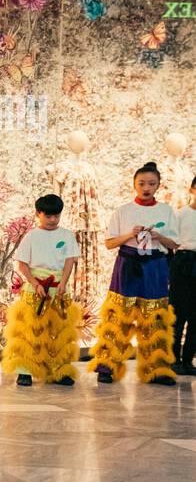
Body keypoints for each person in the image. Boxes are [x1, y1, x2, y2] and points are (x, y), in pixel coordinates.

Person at [88, 162, 180, 385]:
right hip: (127, 264)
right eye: (141, 183)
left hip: (155, 266)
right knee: (119, 314)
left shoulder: (166, 211)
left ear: (158, 185)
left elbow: (175, 243)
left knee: (155, 317)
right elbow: (110, 243)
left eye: (151, 183)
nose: (146, 187)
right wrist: (130, 234)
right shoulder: (124, 211)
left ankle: (157, 369)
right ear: (134, 184)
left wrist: (158, 236)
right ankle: (107, 367)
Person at [0, 194, 82, 386]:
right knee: (30, 331)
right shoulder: (31, 237)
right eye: (48, 216)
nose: (53, 220)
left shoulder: (67, 235)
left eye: (56, 216)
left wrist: (63, 283)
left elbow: (70, 261)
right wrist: (35, 284)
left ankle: (59, 371)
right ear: (39, 214)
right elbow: (23, 265)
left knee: (59, 331)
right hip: (34, 289)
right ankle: (25, 371)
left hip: (59, 288)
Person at [171, 175, 196, 374]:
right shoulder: (180, 214)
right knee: (179, 314)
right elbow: (171, 242)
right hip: (182, 261)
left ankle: (188, 360)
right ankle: (174, 359)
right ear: (192, 190)